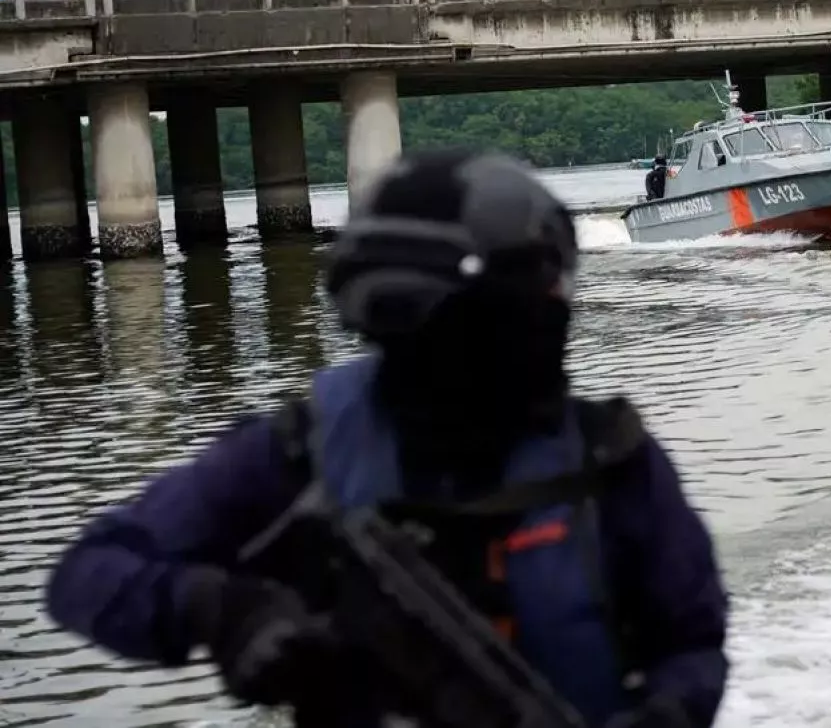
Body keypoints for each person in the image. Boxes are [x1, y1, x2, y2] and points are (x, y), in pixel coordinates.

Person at [46, 150, 729, 728]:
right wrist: (219, 609)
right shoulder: (300, 454)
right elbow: (89, 573)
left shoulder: (611, 459)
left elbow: (695, 641)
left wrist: (671, 710)